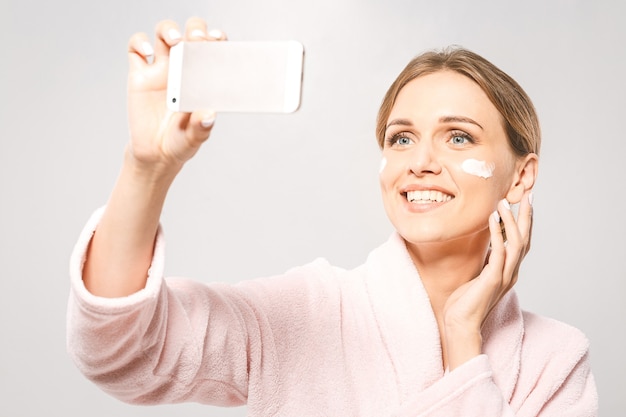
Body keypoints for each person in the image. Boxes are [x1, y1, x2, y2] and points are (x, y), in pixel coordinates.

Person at [66, 17, 598, 416]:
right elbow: (122, 352)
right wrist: (147, 169)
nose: (421, 163)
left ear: (522, 176)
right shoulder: (307, 314)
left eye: (458, 137)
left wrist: (464, 338)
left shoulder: (555, 361)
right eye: (402, 138)